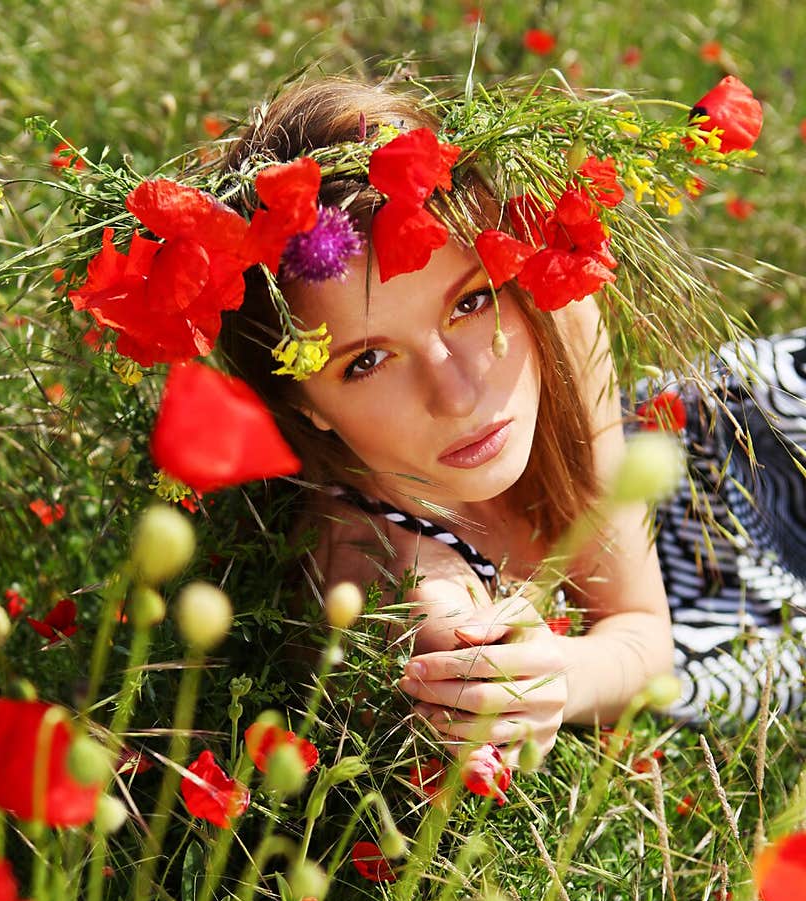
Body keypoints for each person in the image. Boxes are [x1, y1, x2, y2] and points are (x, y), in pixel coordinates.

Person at [217, 75, 806, 767]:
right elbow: (642, 640)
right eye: (369, 359)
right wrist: (549, 672)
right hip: (707, 577)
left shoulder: (554, 310)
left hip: (718, 439)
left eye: (469, 304)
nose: (458, 394)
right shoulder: (397, 579)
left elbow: (640, 625)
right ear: (302, 403)